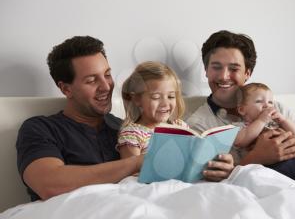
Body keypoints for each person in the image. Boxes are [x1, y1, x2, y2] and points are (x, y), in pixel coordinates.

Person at [16, 36, 234, 201]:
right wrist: (137, 162)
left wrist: (211, 167)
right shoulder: (41, 128)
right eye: (92, 80)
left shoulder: (125, 127)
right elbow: (49, 184)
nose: (106, 86)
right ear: (66, 89)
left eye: (108, 75)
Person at [186, 30, 295, 169]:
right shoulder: (199, 124)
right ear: (206, 71)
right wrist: (257, 157)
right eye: (216, 67)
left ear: (247, 73)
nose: (224, 76)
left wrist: (289, 142)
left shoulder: (277, 109)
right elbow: (205, 178)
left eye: (234, 69)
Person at [233, 82, 295, 195]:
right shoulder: (241, 127)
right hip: (265, 169)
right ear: (242, 110)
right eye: (259, 101)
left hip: (291, 163)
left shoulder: (276, 123)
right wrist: (261, 121)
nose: (266, 105)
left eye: (270, 102)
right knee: (254, 177)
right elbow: (241, 141)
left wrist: (283, 121)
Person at [117, 61, 188, 159]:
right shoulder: (133, 134)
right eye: (156, 97)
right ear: (137, 99)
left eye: (171, 96)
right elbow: (131, 170)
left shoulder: (180, 126)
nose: (165, 103)